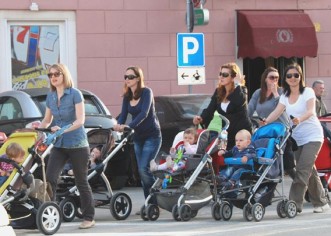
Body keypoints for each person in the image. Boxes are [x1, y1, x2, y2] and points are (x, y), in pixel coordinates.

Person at [263, 63, 329, 213]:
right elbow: (277, 112)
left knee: (302, 170)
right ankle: (321, 202)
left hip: (313, 136)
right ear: (285, 79)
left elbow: (311, 111)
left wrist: (299, 118)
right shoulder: (284, 96)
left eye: (296, 75)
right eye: (289, 76)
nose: (293, 78)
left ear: (300, 77)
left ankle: (294, 204)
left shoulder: (308, 92)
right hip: (297, 139)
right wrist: (265, 121)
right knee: (309, 170)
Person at [39, 63, 95, 229]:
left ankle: (89, 217)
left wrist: (62, 130)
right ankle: (50, 214)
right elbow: (47, 120)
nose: (53, 77)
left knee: (81, 181)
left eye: (57, 73)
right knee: (50, 178)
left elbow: (80, 121)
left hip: (78, 144)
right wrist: (40, 129)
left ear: (64, 75)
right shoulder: (51, 96)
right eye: (50, 75)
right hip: (59, 145)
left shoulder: (75, 94)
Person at [113, 66, 162, 209]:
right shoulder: (127, 96)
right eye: (125, 77)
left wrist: (130, 126)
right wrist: (118, 125)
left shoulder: (147, 92)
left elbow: (144, 113)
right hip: (138, 138)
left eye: (131, 77)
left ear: (138, 78)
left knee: (143, 169)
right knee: (141, 172)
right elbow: (123, 115)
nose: (127, 79)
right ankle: (150, 203)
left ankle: (154, 201)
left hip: (152, 136)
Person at [193, 62, 252, 173]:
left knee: (239, 160)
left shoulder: (242, 90)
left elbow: (238, 101)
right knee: (224, 158)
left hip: (241, 132)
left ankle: (239, 181)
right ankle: (224, 183)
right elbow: (210, 109)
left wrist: (238, 83)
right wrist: (201, 118)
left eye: (225, 75)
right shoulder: (219, 92)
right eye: (220, 74)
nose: (221, 77)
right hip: (227, 133)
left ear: (233, 77)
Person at [247, 67, 296, 179]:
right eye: (272, 77)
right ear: (265, 79)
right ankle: (267, 191)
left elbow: (283, 108)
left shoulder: (282, 92)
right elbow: (248, 111)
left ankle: (303, 188)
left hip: (282, 132)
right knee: (265, 162)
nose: (274, 80)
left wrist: (275, 94)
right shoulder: (258, 93)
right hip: (266, 132)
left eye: (277, 78)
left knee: (289, 166)